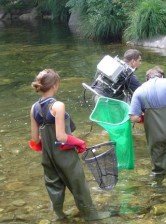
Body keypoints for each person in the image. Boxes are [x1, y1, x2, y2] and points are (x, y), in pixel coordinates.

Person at [29, 69, 108, 221]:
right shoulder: (57, 105)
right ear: (54, 85)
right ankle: (92, 217)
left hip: (48, 155)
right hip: (64, 154)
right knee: (78, 185)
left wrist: (46, 147)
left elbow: (35, 140)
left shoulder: (34, 108)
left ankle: (59, 216)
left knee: (53, 185)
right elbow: (61, 136)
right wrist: (79, 142)